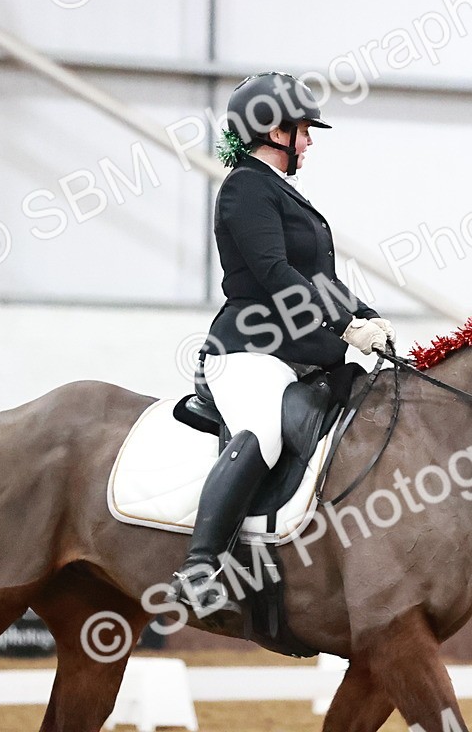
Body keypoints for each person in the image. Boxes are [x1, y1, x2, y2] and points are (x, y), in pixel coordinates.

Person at [167, 72, 395, 623]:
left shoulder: (285, 193)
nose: (309, 142)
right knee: (263, 432)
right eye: (303, 131)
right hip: (250, 351)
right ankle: (201, 566)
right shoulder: (245, 187)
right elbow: (275, 273)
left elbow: (319, 278)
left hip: (306, 353)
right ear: (272, 130)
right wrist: (343, 325)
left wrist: (366, 319)